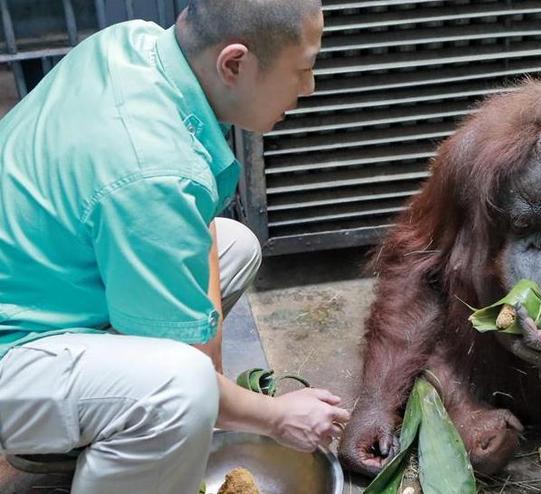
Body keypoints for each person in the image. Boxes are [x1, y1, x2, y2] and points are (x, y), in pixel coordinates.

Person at [0, 1, 349, 492]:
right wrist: (273, 416)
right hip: (13, 346)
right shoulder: (154, 168)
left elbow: (196, 210)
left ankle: (90, 429)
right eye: (303, 69)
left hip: (41, 286)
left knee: (236, 246)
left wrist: (214, 372)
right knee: (177, 390)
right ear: (234, 63)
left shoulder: (134, 44)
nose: (309, 88)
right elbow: (164, 184)